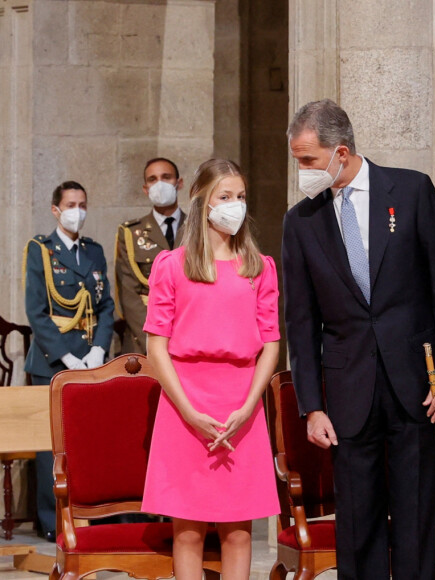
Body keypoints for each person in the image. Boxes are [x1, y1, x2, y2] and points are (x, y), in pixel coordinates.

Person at [282, 99, 435, 580]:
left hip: (416, 385)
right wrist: (312, 406)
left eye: (307, 160)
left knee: (414, 514)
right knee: (357, 522)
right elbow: (300, 321)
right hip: (346, 390)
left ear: (339, 152)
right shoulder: (300, 222)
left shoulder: (410, 191)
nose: (302, 171)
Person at [141, 159, 280, 579]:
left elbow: (271, 344)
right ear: (202, 203)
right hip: (185, 406)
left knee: (239, 531)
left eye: (240, 197)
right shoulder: (172, 265)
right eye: (225, 197)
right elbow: (156, 346)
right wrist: (187, 410)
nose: (235, 206)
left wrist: (248, 405)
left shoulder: (260, 266)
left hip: (242, 405)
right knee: (187, 532)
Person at [23, 180, 115, 541]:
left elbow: (106, 305)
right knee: (51, 445)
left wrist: (98, 350)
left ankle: (89, 516)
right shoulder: (40, 251)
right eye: (70, 204)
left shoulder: (93, 251)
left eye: (82, 203)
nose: (77, 210)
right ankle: (52, 520)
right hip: (52, 363)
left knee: (87, 441)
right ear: (55, 210)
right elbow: (36, 310)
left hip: (91, 361)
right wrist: (66, 356)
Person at [115, 157, 186, 354]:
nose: (160, 184)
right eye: (153, 179)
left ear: (179, 183)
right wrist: (156, 340)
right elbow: (128, 295)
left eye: (166, 177)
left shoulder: (197, 229)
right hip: (145, 340)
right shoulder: (130, 233)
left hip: (190, 334)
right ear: (145, 189)